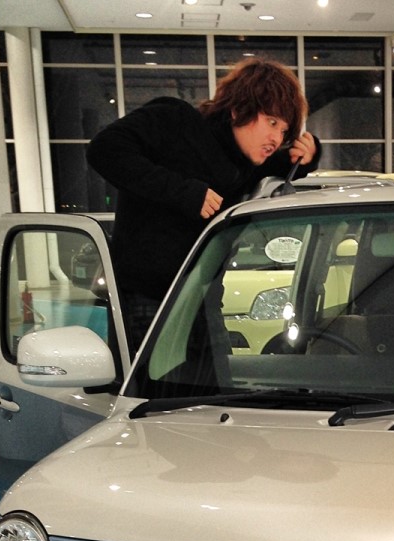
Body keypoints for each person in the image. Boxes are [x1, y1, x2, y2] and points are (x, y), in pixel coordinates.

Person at [87, 58, 321, 353]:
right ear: (238, 109)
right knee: (152, 383)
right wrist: (183, 191)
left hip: (205, 302)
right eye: (272, 122)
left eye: (285, 131)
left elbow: (284, 164)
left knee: (216, 381)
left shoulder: (242, 164)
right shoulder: (175, 121)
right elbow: (104, 149)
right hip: (147, 302)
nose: (277, 138)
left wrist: (310, 153)